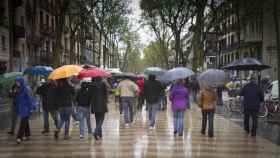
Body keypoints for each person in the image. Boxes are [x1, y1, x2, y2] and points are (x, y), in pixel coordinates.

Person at [14, 77, 37, 144]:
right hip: (21, 108)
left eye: (17, 82)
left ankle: (19, 137)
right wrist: (14, 93)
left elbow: (30, 99)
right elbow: (17, 99)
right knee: (25, 122)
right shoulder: (19, 89)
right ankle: (27, 135)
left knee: (22, 123)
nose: (16, 83)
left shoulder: (26, 89)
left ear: (21, 82)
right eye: (16, 82)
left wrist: (31, 109)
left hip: (26, 109)